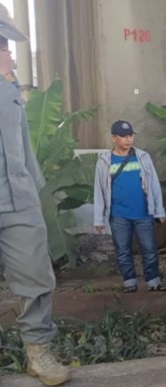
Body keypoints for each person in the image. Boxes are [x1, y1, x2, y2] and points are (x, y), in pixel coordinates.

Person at [0, 5, 71, 385]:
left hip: (18, 198)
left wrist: (32, 187)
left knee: (36, 278)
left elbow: (22, 144)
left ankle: (38, 354)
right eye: (4, 46)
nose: (11, 54)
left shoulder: (10, 90)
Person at [94, 121, 166, 293]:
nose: (128, 139)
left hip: (143, 213)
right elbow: (99, 190)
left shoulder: (143, 157)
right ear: (113, 138)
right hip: (118, 215)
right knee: (122, 251)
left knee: (149, 249)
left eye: (131, 135)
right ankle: (129, 283)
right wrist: (99, 218)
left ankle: (153, 282)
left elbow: (154, 185)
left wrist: (159, 210)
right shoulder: (104, 161)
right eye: (124, 136)